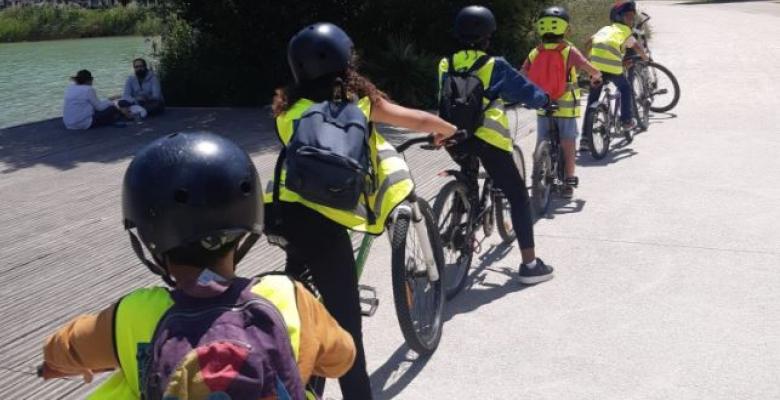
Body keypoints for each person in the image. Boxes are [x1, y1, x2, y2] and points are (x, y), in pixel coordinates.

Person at [39, 131, 356, 399]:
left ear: (148, 238)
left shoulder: (131, 315)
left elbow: (63, 348)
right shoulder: (288, 296)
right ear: (249, 220)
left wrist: (54, 364)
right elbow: (342, 358)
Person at [267, 23, 457, 399]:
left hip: (282, 215)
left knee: (296, 296)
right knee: (347, 327)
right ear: (345, 61)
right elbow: (414, 119)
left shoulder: (287, 111)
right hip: (325, 226)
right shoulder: (359, 102)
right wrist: (446, 128)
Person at [439, 5, 554, 284]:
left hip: (454, 136)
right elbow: (527, 92)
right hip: (488, 140)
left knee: (468, 176)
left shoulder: (445, 63)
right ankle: (529, 265)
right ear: (487, 36)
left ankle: (462, 222)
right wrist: (545, 101)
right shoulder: (495, 65)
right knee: (516, 196)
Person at [522, 6, 603, 199]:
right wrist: (597, 76)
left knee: (542, 140)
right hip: (565, 107)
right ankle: (568, 182)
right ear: (565, 29)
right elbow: (588, 68)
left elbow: (522, 74)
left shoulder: (535, 52)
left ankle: (539, 174)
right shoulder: (568, 51)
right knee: (568, 143)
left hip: (543, 105)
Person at [583, 0, 648, 146]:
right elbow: (637, 46)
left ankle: (584, 139)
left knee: (592, 99)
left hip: (595, 67)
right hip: (613, 68)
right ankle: (626, 121)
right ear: (620, 17)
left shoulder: (605, 29)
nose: (631, 20)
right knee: (625, 88)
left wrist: (588, 58)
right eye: (629, 17)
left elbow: (589, 42)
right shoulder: (625, 31)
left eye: (632, 17)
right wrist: (645, 57)